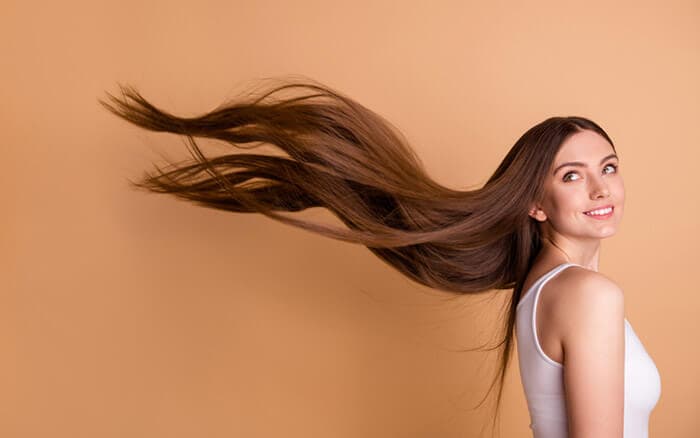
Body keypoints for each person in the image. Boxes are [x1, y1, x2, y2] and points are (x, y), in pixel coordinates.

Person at [99, 76, 661, 437]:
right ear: (535, 204)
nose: (600, 189)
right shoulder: (588, 296)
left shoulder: (544, 288)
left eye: (608, 167)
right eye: (572, 175)